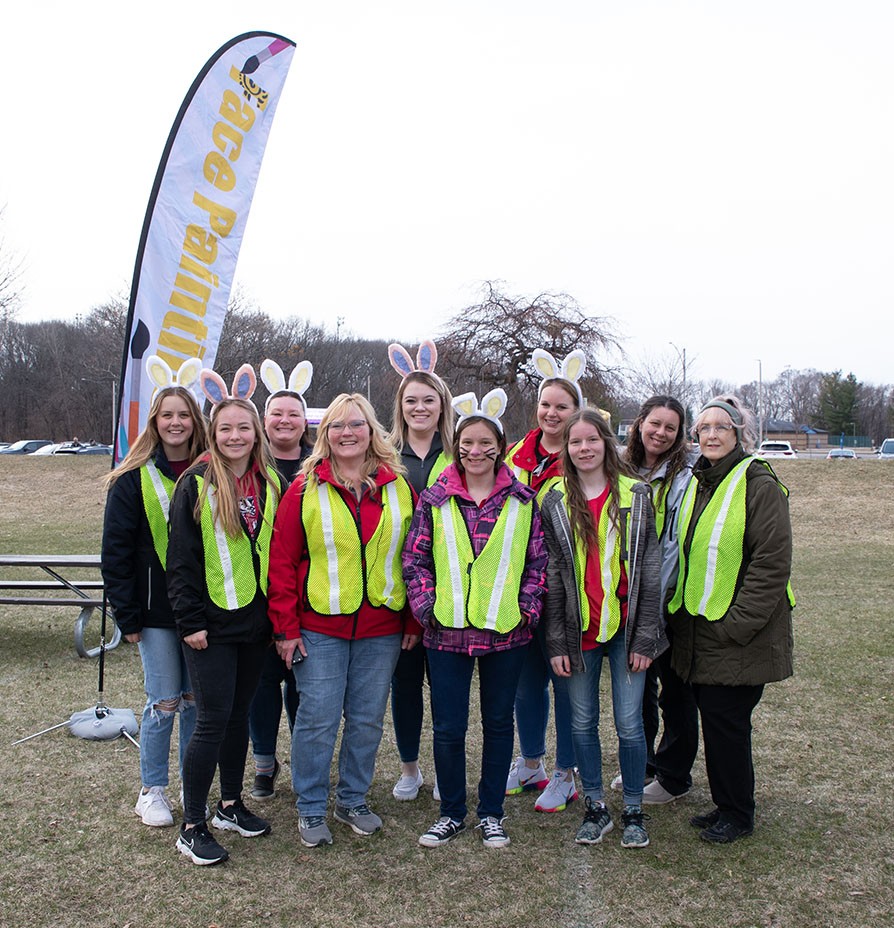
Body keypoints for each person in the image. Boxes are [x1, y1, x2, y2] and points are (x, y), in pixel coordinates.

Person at [267, 393, 417, 848]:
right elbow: (282, 561)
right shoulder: (303, 488)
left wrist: (413, 620)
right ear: (324, 435)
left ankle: (352, 798)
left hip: (382, 629)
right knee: (317, 718)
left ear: (372, 431)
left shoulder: (398, 487)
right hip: (320, 629)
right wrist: (286, 629)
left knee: (368, 718)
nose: (347, 433)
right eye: (336, 426)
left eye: (356, 424)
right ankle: (310, 806)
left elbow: (414, 558)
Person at [406, 390, 547, 849]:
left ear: (499, 446)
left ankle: (491, 813)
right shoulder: (435, 499)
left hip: (506, 632)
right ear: (457, 447)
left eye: (486, 442)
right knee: (448, 727)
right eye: (468, 442)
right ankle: (451, 812)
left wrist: (527, 609)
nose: (476, 451)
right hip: (446, 633)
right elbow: (416, 560)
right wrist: (426, 608)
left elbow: (537, 563)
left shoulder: (524, 500)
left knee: (497, 723)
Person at [667, 395, 794, 843]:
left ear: (740, 434)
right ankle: (726, 805)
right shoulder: (702, 481)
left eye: (722, 427)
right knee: (717, 723)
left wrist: (737, 625)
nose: (712, 435)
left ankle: (738, 814)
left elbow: (771, 565)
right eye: (703, 428)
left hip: (738, 633)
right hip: (702, 629)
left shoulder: (757, 482)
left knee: (728, 724)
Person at [167, 385, 282, 866]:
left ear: (256, 432)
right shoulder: (195, 483)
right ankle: (192, 826)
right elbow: (181, 561)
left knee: (239, 717)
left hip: (255, 623)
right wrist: (190, 621)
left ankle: (230, 805)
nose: (235, 436)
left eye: (243, 427)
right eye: (225, 427)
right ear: (212, 433)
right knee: (212, 720)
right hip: (209, 625)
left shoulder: (269, 481)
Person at [541, 408, 666, 849]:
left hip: (627, 631)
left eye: (592, 439)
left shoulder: (636, 493)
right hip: (580, 634)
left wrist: (647, 634)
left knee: (630, 724)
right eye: (575, 442)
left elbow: (650, 567)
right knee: (582, 722)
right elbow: (553, 573)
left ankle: (633, 808)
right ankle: (596, 806)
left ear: (606, 442)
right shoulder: (553, 498)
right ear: (567, 448)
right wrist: (556, 638)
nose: (584, 448)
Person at [101, 372, 206, 827]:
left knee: (194, 701)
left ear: (195, 421)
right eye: (168, 415)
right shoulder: (130, 480)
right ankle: (152, 789)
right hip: (155, 612)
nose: (177, 422)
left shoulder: (210, 471)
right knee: (164, 701)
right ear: (155, 422)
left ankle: (189, 783)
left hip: (204, 610)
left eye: (184, 414)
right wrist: (128, 616)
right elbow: (116, 554)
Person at [505, 349, 585, 813]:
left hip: (564, 588)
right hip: (519, 586)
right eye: (545, 404)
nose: (552, 413)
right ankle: (531, 760)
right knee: (525, 681)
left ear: (575, 411)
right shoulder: (516, 455)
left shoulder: (583, 455)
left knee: (565, 680)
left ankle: (566, 772)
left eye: (562, 406)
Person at [613, 396, 700, 804]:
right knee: (639, 687)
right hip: (627, 597)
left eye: (670, 427)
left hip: (667, 599)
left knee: (675, 691)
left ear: (680, 434)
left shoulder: (687, 473)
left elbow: (673, 544)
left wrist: (661, 596)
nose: (661, 433)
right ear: (640, 423)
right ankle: (642, 764)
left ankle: (673, 777)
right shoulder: (622, 467)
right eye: (655, 424)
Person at [386, 340, 454, 802]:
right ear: (400, 406)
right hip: (397, 586)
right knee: (405, 684)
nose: (420, 407)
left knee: (448, 689)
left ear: (442, 404)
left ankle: (447, 768)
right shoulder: (385, 452)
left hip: (451, 588)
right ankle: (410, 768)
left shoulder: (460, 449)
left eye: (428, 399)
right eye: (411, 400)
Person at [248, 360, 314, 801]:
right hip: (257, 593)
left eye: (293, 414)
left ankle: (303, 759)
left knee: (303, 684)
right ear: (264, 420)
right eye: (276, 413)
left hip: (308, 594)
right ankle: (264, 764)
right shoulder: (248, 465)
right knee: (263, 682)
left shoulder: (318, 464)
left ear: (304, 421)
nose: (285, 421)